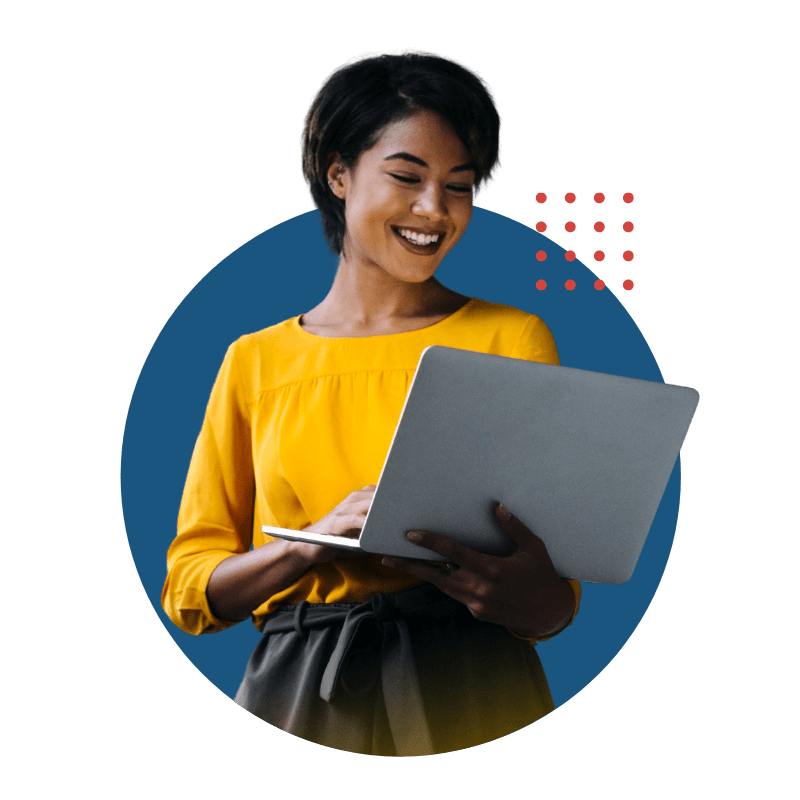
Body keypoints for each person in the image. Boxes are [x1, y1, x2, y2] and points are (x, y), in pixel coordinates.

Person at [161, 49, 581, 756]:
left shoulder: (513, 336)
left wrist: (531, 598)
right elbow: (192, 590)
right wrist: (310, 543)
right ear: (338, 174)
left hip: (476, 679)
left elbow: (553, 601)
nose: (434, 211)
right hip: (299, 690)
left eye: (460, 186)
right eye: (407, 176)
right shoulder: (253, 361)